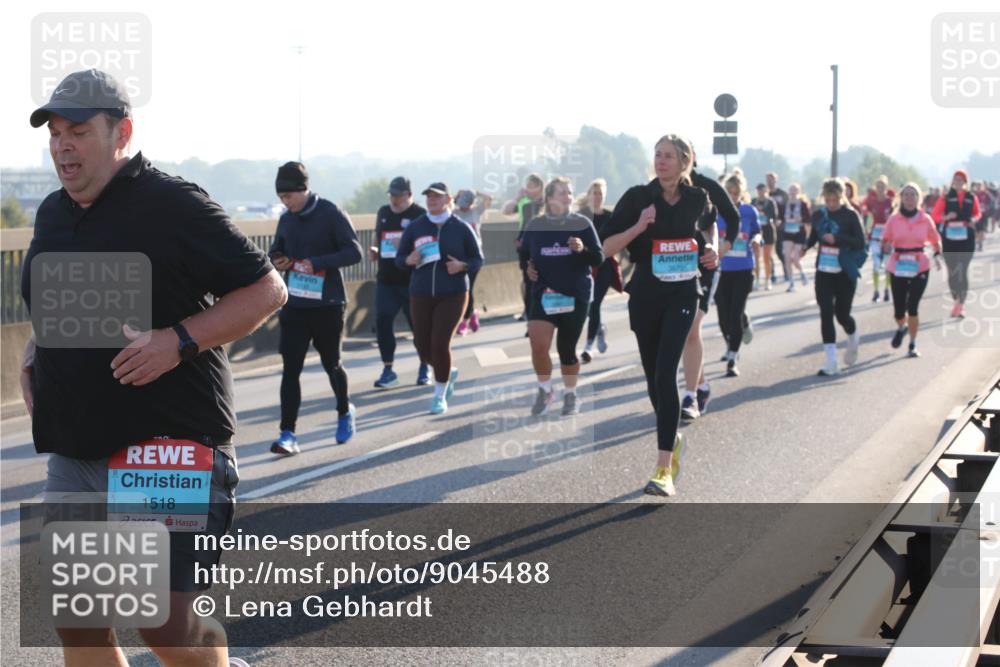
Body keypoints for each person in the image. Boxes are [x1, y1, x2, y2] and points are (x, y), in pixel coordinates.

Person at [21, 69, 287, 667]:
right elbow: (61, 298)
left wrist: (178, 340)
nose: (63, 145)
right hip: (76, 450)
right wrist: (38, 348)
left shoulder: (171, 204)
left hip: (166, 446)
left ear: (122, 133)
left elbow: (267, 290)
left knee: (163, 622)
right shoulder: (52, 214)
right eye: (55, 133)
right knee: (81, 625)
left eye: (79, 131)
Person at [600, 135, 717, 497]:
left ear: (685, 162)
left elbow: (708, 227)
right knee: (654, 381)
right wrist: (639, 226)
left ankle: (663, 468)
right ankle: (673, 437)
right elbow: (605, 248)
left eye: (668, 156)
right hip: (647, 296)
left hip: (683, 293)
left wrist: (711, 248)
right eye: (657, 155)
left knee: (667, 372)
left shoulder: (697, 197)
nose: (661, 161)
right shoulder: (637, 197)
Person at [269, 162, 362, 454]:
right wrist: (277, 259)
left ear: (303, 190)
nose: (286, 202)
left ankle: (345, 411)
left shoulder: (331, 213)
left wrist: (318, 263)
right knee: (290, 369)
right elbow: (276, 249)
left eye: (289, 196)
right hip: (295, 303)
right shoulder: (286, 219)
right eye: (281, 198)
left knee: (331, 364)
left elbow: (354, 252)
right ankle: (287, 434)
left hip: (328, 304)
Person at [395, 183, 484, 414]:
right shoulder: (416, 227)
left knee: (439, 342)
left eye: (437, 196)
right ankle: (447, 371)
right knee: (421, 345)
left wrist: (462, 265)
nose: (432, 200)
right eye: (429, 196)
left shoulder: (461, 227)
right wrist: (408, 260)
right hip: (421, 293)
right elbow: (399, 258)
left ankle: (439, 395)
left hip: (453, 293)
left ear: (448, 200)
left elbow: (478, 259)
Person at [519, 177, 603, 415]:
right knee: (537, 344)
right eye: (562, 193)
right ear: (549, 198)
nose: (568, 197)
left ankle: (571, 394)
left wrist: (581, 249)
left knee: (566, 349)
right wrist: (528, 268)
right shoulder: (535, 225)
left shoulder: (582, 223)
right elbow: (524, 255)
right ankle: (545, 389)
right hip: (544, 294)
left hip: (575, 294)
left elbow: (598, 258)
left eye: (569, 192)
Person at [679, 159, 737, 420]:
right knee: (682, 330)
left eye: (677, 156)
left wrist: (721, 248)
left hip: (705, 266)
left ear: (689, 158)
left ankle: (690, 395)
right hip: (675, 267)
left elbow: (732, 217)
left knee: (692, 327)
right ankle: (701, 385)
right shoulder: (660, 188)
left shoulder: (706, 186)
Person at [368, 176, 430, 388]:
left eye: (398, 195)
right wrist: (375, 250)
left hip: (412, 280)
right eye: (392, 195)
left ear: (409, 195)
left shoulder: (420, 215)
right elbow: (379, 236)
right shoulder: (383, 212)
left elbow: (428, 246)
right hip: (386, 278)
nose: (394, 200)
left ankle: (425, 365)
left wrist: (406, 244)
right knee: (382, 321)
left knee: (418, 326)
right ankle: (388, 368)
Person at [805, 178, 867, 376]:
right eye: (828, 199)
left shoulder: (850, 215)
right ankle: (831, 361)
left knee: (842, 315)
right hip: (824, 271)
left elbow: (860, 242)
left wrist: (838, 239)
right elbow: (814, 236)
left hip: (844, 272)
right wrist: (803, 248)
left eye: (835, 200)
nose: (831, 204)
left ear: (842, 197)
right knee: (825, 311)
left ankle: (853, 335)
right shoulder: (819, 215)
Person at [882, 183, 942, 358]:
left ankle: (912, 344)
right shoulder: (894, 219)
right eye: (906, 195)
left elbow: (935, 240)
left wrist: (938, 255)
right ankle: (902, 326)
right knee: (899, 310)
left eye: (913, 195)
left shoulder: (925, 219)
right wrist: (885, 247)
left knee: (913, 306)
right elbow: (886, 239)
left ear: (918, 199)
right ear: (901, 198)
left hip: (920, 265)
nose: (909, 198)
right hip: (898, 265)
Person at [715, 172, 762, 377]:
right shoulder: (717, 212)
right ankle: (735, 334)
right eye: (729, 193)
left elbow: (758, 232)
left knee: (734, 314)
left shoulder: (749, 211)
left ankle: (733, 357)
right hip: (721, 270)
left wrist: (756, 241)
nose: (733, 197)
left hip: (743, 269)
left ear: (742, 193)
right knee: (724, 317)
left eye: (736, 193)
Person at [576, 178, 620, 363]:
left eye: (601, 193)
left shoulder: (610, 217)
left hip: (604, 267)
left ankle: (588, 347)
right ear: (588, 196)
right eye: (594, 193)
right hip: (585, 267)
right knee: (588, 307)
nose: (597, 197)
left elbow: (619, 240)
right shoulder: (581, 216)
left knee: (594, 304)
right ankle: (599, 328)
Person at [930, 169, 982, 318]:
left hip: (967, 239)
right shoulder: (945, 197)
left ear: (966, 182)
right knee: (953, 273)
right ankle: (956, 300)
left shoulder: (971, 197)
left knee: (963, 270)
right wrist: (946, 216)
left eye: (961, 179)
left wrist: (974, 219)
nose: (958, 182)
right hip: (950, 239)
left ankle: (961, 305)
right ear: (953, 181)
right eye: (956, 179)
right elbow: (934, 216)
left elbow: (978, 213)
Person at [503, 173, 545, 323]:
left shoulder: (548, 202)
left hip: (544, 244)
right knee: (527, 280)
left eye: (532, 186)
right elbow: (506, 211)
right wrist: (517, 198)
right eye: (528, 185)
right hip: (525, 245)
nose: (529, 189)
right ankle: (530, 314)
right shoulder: (523, 202)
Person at [454, 189, 492, 335]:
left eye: (465, 203)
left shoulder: (476, 211)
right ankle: (472, 314)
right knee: (461, 289)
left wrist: (478, 193)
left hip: (474, 257)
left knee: (467, 288)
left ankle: (464, 320)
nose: (462, 206)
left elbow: (489, 199)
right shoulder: (454, 213)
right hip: (458, 256)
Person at [863, 175, 894, 303]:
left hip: (887, 238)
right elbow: (866, 214)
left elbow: (894, 220)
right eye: (878, 187)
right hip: (875, 236)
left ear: (886, 188)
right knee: (875, 264)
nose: (880, 189)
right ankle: (876, 292)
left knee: (887, 265)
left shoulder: (890, 202)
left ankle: (887, 289)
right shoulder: (872, 201)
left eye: (882, 187)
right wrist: (867, 229)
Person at [780, 183, 811, 291]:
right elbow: (780, 218)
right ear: (788, 192)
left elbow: (808, 220)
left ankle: (802, 273)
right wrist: (779, 222)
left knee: (795, 259)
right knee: (787, 258)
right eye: (791, 190)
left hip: (799, 233)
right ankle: (791, 283)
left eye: (795, 190)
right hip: (787, 232)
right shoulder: (785, 204)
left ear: (799, 192)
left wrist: (801, 219)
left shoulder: (803, 204)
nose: (792, 192)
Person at [752, 182, 779, 291]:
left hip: (768, 231)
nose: (760, 193)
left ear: (766, 191)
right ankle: (757, 279)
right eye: (758, 191)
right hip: (757, 231)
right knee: (756, 257)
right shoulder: (753, 201)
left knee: (766, 257)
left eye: (762, 190)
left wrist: (764, 213)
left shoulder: (771, 202)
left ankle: (768, 279)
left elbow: (775, 216)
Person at [767, 172, 789, 283]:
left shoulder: (782, 194)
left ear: (776, 180)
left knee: (780, 251)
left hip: (780, 227)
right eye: (768, 180)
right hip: (767, 227)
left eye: (772, 180)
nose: (770, 182)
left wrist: (781, 220)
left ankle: (787, 272)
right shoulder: (765, 194)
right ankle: (772, 274)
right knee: (768, 253)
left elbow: (788, 210)